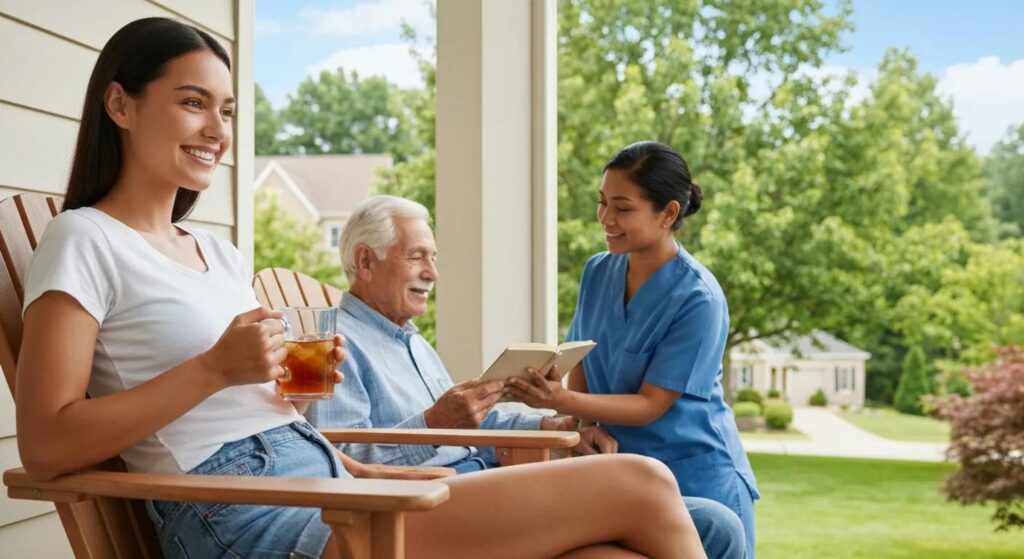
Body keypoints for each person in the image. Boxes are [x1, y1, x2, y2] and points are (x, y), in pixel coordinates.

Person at [15, 18, 704, 559]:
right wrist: (214, 369)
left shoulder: (217, 253)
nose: (217, 130)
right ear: (120, 103)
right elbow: (45, 444)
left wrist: (371, 469)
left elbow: (271, 416)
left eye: (227, 110)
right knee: (644, 482)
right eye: (193, 104)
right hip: (240, 513)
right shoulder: (84, 239)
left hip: (320, 478)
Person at [307, 195, 746, 559]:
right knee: (646, 506)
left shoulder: (410, 341)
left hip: (484, 482)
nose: (433, 273)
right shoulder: (338, 344)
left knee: (718, 523)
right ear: (366, 261)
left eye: (434, 258)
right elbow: (342, 458)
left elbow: (468, 430)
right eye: (417, 256)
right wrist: (434, 424)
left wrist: (553, 425)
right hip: (442, 505)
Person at [506, 141, 760, 557]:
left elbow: (651, 404)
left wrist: (562, 398)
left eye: (622, 208)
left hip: (696, 476)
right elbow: (582, 361)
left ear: (669, 213)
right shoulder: (598, 271)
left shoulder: (698, 298)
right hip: (621, 477)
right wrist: (576, 418)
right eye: (602, 203)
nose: (605, 219)